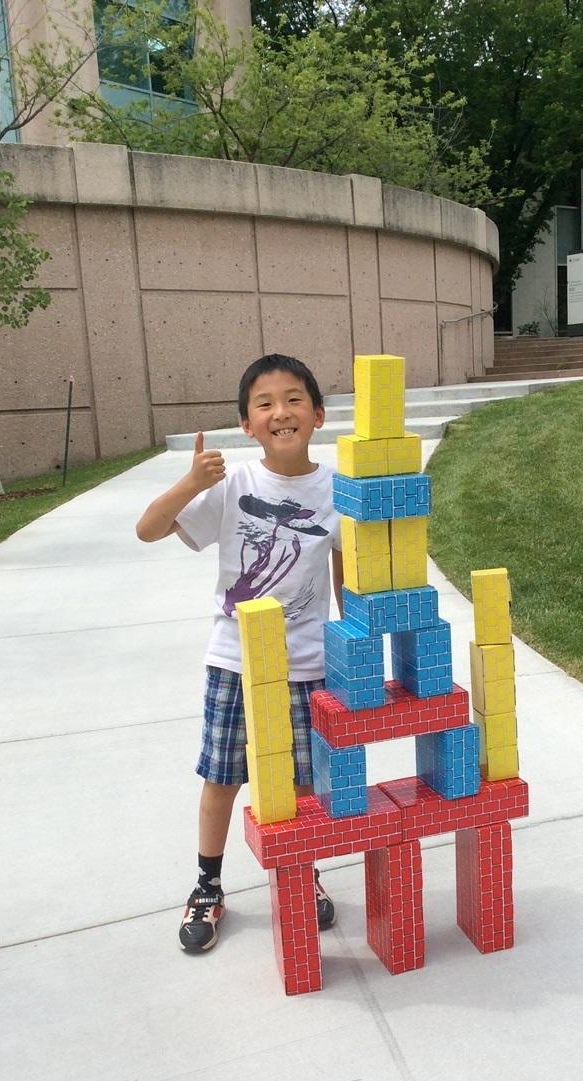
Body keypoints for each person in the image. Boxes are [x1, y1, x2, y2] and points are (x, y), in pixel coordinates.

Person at [136, 354, 343, 953]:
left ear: (319, 414)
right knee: (222, 776)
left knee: (302, 782)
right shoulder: (233, 486)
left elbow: (345, 577)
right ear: (247, 424)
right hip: (235, 660)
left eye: (294, 398)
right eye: (264, 403)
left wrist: (355, 647)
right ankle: (208, 886)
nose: (281, 411)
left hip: (306, 667)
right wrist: (191, 484)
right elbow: (148, 529)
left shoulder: (338, 490)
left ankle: (301, 870)